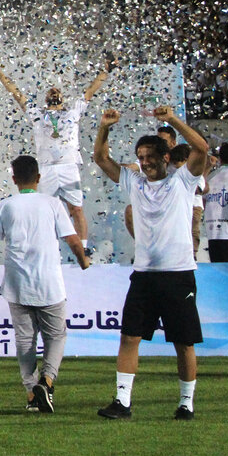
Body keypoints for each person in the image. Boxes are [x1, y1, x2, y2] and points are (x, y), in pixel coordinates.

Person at [92, 106, 208, 421]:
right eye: (140, 157)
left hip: (178, 275)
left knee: (183, 342)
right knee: (129, 337)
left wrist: (172, 120)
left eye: (149, 156)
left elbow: (202, 149)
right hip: (143, 276)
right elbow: (101, 159)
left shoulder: (183, 181)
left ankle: (186, 403)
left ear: (165, 157)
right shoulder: (134, 181)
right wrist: (104, 128)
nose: (143, 162)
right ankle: (122, 402)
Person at [0, 155, 90, 412]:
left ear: (14, 179)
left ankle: (31, 394)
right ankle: (47, 381)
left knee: (25, 340)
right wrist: (83, 261)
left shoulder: (6, 205)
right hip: (49, 282)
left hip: (18, 283)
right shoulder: (52, 203)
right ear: (39, 178)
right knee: (56, 335)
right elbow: (73, 240)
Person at [0, 56, 115, 253]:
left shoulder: (73, 112)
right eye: (51, 91)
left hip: (68, 166)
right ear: (46, 98)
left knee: (76, 209)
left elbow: (90, 91)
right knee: (44, 210)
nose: (54, 91)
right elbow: (17, 95)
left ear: (62, 98)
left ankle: (82, 248)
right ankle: (44, 246)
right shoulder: (37, 114)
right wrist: (1, 75)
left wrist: (106, 71)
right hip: (46, 168)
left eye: (57, 90)